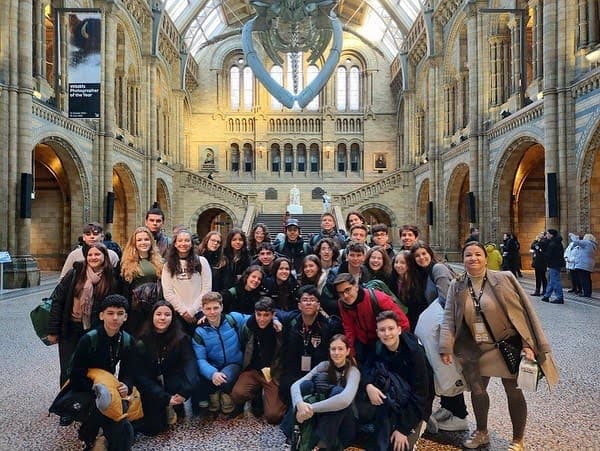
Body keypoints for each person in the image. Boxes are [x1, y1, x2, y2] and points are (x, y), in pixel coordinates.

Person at [439, 241, 559, 451]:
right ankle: (482, 432)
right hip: (475, 348)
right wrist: (445, 346)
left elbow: (521, 314)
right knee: (477, 391)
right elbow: (449, 317)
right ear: (463, 259)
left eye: (478, 254)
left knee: (513, 391)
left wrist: (527, 344)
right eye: (468, 255)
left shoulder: (504, 279)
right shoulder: (457, 285)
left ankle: (518, 439)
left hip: (506, 345)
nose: (473, 258)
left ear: (486, 258)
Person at [409, 240, 468, 432]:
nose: (421, 258)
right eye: (417, 256)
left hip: (443, 328)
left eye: (423, 254)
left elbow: (446, 300)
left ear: (430, 253)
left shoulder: (438, 269)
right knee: (442, 369)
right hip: (436, 328)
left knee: (448, 367)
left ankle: (460, 415)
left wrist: (446, 335)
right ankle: (448, 407)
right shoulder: (426, 272)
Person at [68, 295, 137, 451]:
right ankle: (90, 436)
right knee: (102, 411)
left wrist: (126, 385)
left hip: (109, 389)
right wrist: (97, 391)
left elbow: (129, 371)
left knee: (124, 436)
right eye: (110, 313)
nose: (115, 318)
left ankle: (104, 436)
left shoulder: (127, 340)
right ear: (101, 315)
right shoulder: (88, 339)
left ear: (125, 317)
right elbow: (76, 375)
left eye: (120, 313)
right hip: (86, 388)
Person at [48, 242, 122, 386]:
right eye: (90, 254)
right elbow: (58, 300)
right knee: (68, 368)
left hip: (96, 330)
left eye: (97, 254)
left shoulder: (111, 278)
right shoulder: (75, 273)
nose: (93, 257)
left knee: (94, 367)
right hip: (71, 328)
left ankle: (90, 397)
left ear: (104, 256)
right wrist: (53, 330)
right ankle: (67, 396)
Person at [363, 310, 433, 451]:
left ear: (399, 330)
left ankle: (424, 423)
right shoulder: (378, 347)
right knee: (380, 443)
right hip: (392, 401)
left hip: (417, 403)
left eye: (391, 328)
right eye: (382, 330)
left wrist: (403, 429)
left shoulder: (414, 352)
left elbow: (422, 394)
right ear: (377, 333)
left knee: (400, 446)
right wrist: (368, 385)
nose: (387, 333)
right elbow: (365, 368)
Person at [134, 301, 200, 434]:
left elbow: (190, 364)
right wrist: (163, 397)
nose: (162, 318)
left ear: (173, 318)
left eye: (167, 315)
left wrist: (185, 392)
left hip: (173, 383)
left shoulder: (181, 338)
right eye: (158, 314)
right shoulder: (142, 339)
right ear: (152, 316)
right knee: (154, 429)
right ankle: (166, 405)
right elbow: (140, 375)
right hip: (152, 386)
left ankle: (174, 405)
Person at [290, 334, 360, 450]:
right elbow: (296, 385)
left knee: (338, 392)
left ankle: (320, 446)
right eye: (333, 349)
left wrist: (310, 408)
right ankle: (298, 432)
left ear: (348, 351)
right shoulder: (324, 365)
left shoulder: (353, 372)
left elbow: (344, 400)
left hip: (345, 424)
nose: (336, 352)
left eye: (340, 349)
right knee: (306, 385)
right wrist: (299, 404)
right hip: (323, 419)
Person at [278, 286, 342, 404]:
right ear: (299, 305)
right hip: (294, 370)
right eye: (305, 300)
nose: (308, 303)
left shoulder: (328, 325)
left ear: (318, 305)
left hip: (318, 371)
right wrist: (275, 320)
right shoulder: (291, 321)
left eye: (312, 300)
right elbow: (275, 312)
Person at [192, 292, 250, 415]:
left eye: (215, 308)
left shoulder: (232, 319)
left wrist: (275, 319)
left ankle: (225, 395)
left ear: (222, 307)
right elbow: (200, 359)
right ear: (203, 310)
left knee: (225, 378)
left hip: (233, 363)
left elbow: (255, 318)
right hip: (213, 364)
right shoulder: (200, 331)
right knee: (204, 375)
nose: (212, 312)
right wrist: (212, 373)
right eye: (208, 309)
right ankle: (214, 395)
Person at [333, 272, 409, 365]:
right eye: (341, 293)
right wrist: (351, 353)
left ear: (356, 287)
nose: (345, 296)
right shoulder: (342, 304)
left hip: (383, 339)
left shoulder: (378, 298)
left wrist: (399, 345)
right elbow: (348, 327)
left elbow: (403, 322)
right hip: (363, 342)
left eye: (348, 290)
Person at [231, 298, 286, 423]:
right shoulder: (249, 326)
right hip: (253, 369)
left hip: (272, 372)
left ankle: (270, 398)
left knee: (273, 416)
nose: (262, 319)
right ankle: (255, 396)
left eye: (266, 315)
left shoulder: (280, 328)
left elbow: (288, 314)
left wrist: (276, 321)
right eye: (259, 314)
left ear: (273, 315)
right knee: (237, 394)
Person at [162, 229, 212, 333]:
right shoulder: (168, 265)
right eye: (180, 240)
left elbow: (206, 289)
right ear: (175, 244)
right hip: (178, 314)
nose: (183, 243)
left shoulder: (202, 262)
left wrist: (192, 311)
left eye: (187, 240)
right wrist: (184, 312)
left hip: (199, 312)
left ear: (191, 243)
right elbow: (168, 293)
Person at [120, 226, 163, 337]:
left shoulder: (159, 261)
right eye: (139, 240)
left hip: (154, 306)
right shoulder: (126, 263)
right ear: (134, 243)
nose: (143, 242)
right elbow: (123, 289)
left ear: (151, 241)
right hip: (136, 309)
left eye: (146, 239)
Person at [390, 250, 427, 332]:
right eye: (396, 262)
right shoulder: (392, 279)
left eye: (402, 263)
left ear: (409, 264)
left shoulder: (417, 281)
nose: (398, 265)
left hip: (415, 321)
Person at [568, 232, 597, 298]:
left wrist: (572, 235)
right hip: (589, 264)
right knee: (587, 279)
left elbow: (576, 241)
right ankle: (588, 292)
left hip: (583, 264)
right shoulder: (592, 245)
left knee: (583, 279)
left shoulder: (587, 242)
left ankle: (586, 293)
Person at [541, 229, 565, 304]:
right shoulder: (556, 242)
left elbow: (549, 255)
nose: (547, 235)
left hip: (554, 264)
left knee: (555, 280)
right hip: (556, 263)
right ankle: (546, 296)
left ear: (551, 235)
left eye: (548, 234)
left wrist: (541, 253)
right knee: (552, 280)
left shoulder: (553, 244)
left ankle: (559, 297)